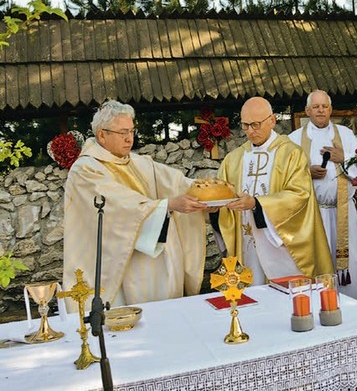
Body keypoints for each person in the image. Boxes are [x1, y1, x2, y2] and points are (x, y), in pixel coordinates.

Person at [63, 100, 209, 312]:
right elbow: (118, 206)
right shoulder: (86, 170)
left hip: (157, 261)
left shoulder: (139, 162)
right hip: (120, 265)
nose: (129, 138)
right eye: (122, 132)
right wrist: (168, 205)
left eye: (131, 131)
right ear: (102, 135)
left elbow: (176, 183)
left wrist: (206, 197)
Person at [213, 96, 334, 284]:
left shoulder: (291, 153)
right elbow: (221, 193)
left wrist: (257, 203)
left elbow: (299, 195)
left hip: (281, 244)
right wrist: (214, 208)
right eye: (245, 125)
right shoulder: (234, 159)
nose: (251, 132)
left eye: (256, 124)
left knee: (286, 296)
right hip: (247, 242)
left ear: (272, 120)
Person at [288, 90, 357, 301]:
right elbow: (284, 176)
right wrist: (306, 172)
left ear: (330, 110)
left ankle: (352, 307)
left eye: (324, 106)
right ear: (307, 111)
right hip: (312, 214)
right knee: (316, 262)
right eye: (316, 107)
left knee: (350, 262)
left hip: (344, 212)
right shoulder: (294, 140)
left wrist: (344, 158)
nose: (320, 110)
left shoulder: (346, 135)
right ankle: (317, 305)